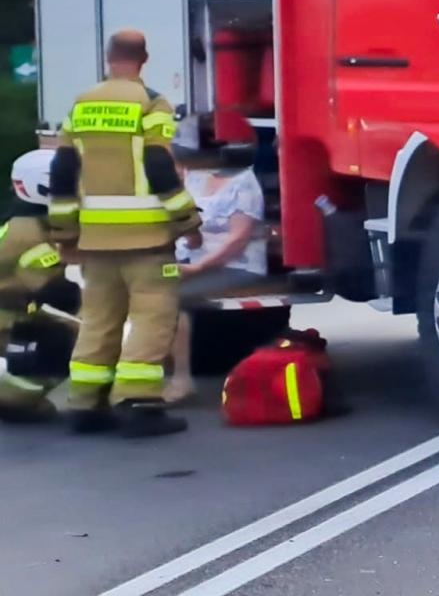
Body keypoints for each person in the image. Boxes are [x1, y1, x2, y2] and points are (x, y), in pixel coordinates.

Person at [49, 30, 200, 437]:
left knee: (98, 319)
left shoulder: (81, 104)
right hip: (147, 241)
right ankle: (139, 404)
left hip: (95, 242)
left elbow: (62, 172)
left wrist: (64, 234)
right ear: (143, 59)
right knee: (153, 318)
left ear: (107, 57)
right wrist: (187, 222)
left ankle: (85, 404)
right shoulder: (151, 103)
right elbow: (159, 166)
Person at [165, 146, 268, 405]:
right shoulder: (196, 178)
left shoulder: (245, 182)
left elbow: (238, 240)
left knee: (174, 297)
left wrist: (197, 269)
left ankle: (182, 380)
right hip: (191, 261)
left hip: (237, 266)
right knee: (147, 285)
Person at [0, 150, 79, 423]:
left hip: (13, 312)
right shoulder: (30, 235)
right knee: (88, 336)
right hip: (9, 318)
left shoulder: (22, 221)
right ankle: (13, 398)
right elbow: (57, 293)